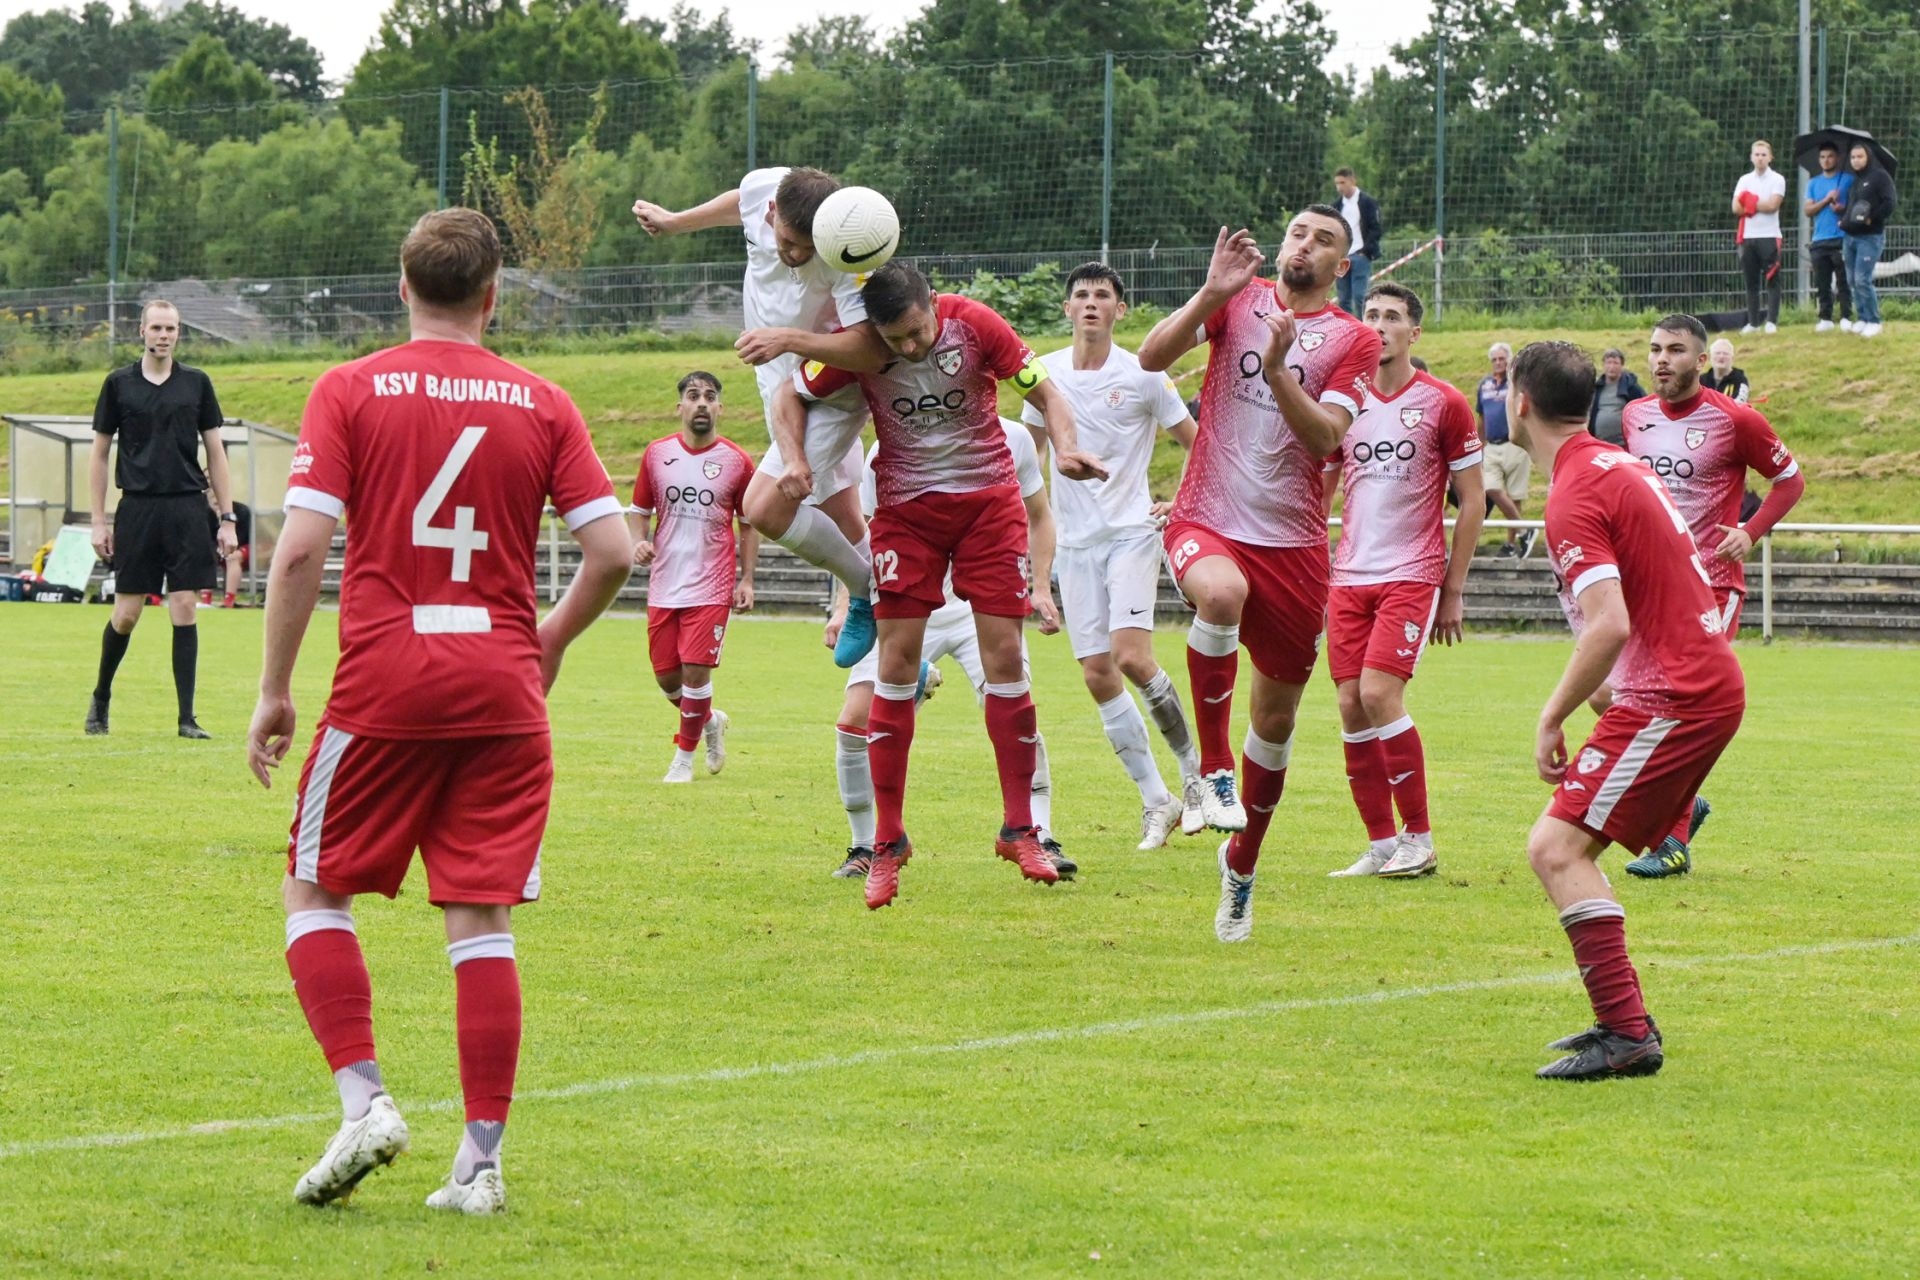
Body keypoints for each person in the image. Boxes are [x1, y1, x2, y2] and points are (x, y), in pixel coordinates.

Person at [245, 208, 633, 1213]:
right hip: (503, 688)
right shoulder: (543, 401)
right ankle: (480, 1164)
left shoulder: (349, 388)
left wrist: (275, 688)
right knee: (481, 913)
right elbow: (613, 551)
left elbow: (300, 547)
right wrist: (548, 640)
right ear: (493, 295)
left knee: (312, 888)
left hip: (387, 682)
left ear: (402, 286)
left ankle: (364, 1100)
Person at [778, 261, 1107, 910]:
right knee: (896, 665)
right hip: (906, 516)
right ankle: (887, 843)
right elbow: (789, 393)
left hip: (989, 506)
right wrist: (792, 459)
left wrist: (1066, 446)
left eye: (917, 330)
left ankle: (1021, 830)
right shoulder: (859, 347)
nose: (909, 347)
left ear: (933, 302)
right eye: (894, 338)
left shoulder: (976, 324)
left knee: (1006, 657)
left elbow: (1044, 391)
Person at [1137, 212, 1382, 944]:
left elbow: (1326, 435)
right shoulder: (1237, 300)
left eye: (1324, 239)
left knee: (1275, 726)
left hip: (1294, 548)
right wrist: (1211, 292)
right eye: (1298, 232)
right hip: (1206, 516)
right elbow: (1150, 357)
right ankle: (1212, 771)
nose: (1305, 244)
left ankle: (1240, 867)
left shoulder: (1355, 339)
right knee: (1219, 594)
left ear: (1342, 266)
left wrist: (1277, 370)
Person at [1508, 339, 1745, 1080]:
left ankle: (1626, 1031)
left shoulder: (1575, 491)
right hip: (1690, 683)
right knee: (1568, 847)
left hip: (1675, 694)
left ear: (1519, 402)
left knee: (1556, 849)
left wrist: (1551, 715)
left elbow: (1608, 623)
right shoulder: (1617, 463)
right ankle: (1626, 1020)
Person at [632, 166, 884, 666]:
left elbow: (868, 350)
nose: (796, 255)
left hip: (828, 388)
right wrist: (675, 222)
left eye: (807, 249)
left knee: (765, 507)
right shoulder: (763, 190)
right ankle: (903, 655)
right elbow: (738, 201)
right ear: (772, 212)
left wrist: (786, 338)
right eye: (788, 242)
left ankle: (866, 594)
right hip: (776, 383)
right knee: (842, 515)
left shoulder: (844, 246)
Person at [828, 418, 1071, 879]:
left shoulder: (1013, 438)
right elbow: (867, 538)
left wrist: (1041, 586)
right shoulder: (886, 447)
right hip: (904, 602)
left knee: (1013, 705)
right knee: (854, 723)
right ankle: (865, 847)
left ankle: (1038, 833)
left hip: (973, 605)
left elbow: (1039, 516)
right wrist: (848, 605)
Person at [1020, 262, 1204, 849]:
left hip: (1130, 533)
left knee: (1130, 656)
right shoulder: (1044, 375)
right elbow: (1029, 466)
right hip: (1074, 545)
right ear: (1067, 309)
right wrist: (1034, 564)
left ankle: (1196, 777)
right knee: (1097, 674)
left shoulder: (1145, 373)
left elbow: (1199, 445)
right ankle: (1157, 800)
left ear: (1120, 311)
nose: (1091, 303)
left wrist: (1181, 500)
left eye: (1103, 295)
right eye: (1082, 295)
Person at [1614, 313, 1803, 878]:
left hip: (1711, 586)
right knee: (1612, 697)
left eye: (1675, 350)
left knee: (1683, 707)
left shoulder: (1735, 419)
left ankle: (1672, 842)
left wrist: (1750, 530)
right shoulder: (1634, 415)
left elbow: (1790, 480)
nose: (1661, 359)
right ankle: (1684, 804)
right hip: (1648, 584)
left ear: (1701, 361)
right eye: (1655, 349)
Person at [1324, 282, 1483, 879]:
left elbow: (1473, 501)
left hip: (1411, 574)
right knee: (1350, 705)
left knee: (1378, 695)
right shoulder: (1342, 404)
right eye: (1370, 315)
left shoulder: (1444, 402)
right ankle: (1381, 844)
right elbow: (1319, 491)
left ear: (1414, 332)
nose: (1379, 325)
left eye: (1392, 317)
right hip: (1348, 576)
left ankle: (1421, 839)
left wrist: (1453, 588)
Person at [85, 299, 236, 739]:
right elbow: (99, 455)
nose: (164, 335)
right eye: (156, 328)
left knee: (185, 606)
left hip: (188, 507)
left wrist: (227, 518)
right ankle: (101, 697)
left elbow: (216, 452)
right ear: (142, 331)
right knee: (127, 614)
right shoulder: (118, 384)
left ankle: (187, 718)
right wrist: (99, 521)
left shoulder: (197, 383)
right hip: (138, 508)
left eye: (171, 328)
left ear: (178, 333)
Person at [629, 371, 758, 784]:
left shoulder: (737, 461)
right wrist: (638, 542)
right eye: (693, 395)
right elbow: (639, 512)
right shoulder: (657, 454)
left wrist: (747, 579)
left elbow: (749, 523)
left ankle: (682, 761)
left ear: (720, 407)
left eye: (709, 396)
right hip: (665, 582)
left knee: (696, 671)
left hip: (712, 584)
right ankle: (710, 721)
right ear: (680, 406)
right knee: (668, 679)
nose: (701, 402)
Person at [1476, 342, 1533, 558]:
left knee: (1515, 496)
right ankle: (1525, 531)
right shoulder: (1485, 385)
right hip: (1492, 446)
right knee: (1491, 488)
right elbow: (1482, 417)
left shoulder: (1518, 384)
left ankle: (1511, 544)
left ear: (1509, 360)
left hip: (1514, 444)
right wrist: (1478, 446)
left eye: (1502, 359)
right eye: (1495, 359)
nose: (1498, 363)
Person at [1842, 142, 1897, 339]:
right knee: (1852, 280)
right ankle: (1863, 318)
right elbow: (1853, 208)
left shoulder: (1880, 176)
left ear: (1868, 157)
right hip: (1850, 237)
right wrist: (1844, 219)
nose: (1856, 160)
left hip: (1870, 237)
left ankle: (1874, 321)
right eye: (1853, 157)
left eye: (1860, 156)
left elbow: (1890, 203)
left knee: (1862, 279)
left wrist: (1872, 218)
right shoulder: (1855, 181)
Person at [1732, 140, 1786, 334]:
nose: (1760, 158)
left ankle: (1771, 321)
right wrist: (1755, 204)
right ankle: (1753, 323)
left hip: (1769, 235)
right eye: (1757, 154)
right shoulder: (1744, 180)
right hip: (1748, 236)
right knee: (1751, 281)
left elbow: (1772, 206)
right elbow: (1736, 207)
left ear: (1770, 157)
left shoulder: (1777, 179)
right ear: (1751, 157)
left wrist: (1749, 201)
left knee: (1772, 279)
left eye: (1764, 155)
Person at [1804, 141, 1855, 332]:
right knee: (1822, 283)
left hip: (1842, 237)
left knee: (1844, 281)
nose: (1826, 160)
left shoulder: (1849, 180)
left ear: (1838, 158)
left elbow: (1855, 207)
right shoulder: (1813, 183)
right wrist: (1826, 200)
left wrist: (1841, 208)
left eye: (1830, 156)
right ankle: (1825, 317)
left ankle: (1846, 316)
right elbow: (1808, 210)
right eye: (1823, 157)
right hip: (1819, 239)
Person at [1332, 169, 1383, 316]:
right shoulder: (1336, 206)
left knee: (1360, 297)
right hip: (1342, 256)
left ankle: (1363, 325)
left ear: (1352, 181)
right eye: (1337, 184)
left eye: (1342, 182)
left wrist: (1365, 250)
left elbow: (1376, 228)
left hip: (1360, 255)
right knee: (1343, 298)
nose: (1339, 187)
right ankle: (1347, 326)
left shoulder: (1367, 202)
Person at [1587, 348, 1646, 447]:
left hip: (1623, 444)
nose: (1612, 367)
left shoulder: (1630, 387)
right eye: (1608, 363)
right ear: (1603, 365)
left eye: (1615, 363)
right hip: (1599, 443)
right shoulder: (1597, 387)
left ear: (1622, 365)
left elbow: (1643, 410)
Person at [1699, 339, 1751, 404]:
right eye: (1717, 353)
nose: (1721, 356)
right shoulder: (1701, 380)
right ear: (1710, 357)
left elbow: (1740, 404)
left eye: (1726, 354)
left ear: (1732, 358)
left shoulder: (1740, 380)